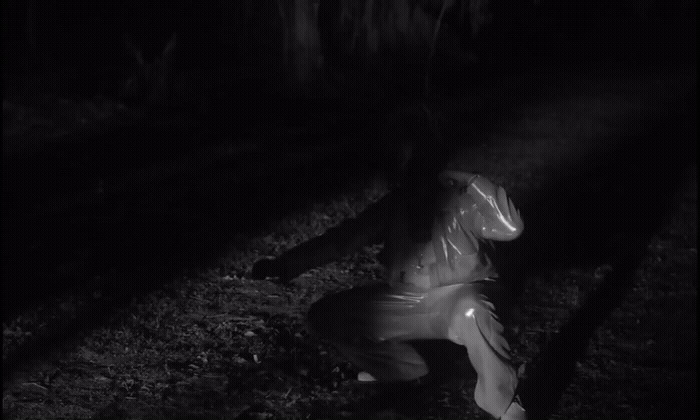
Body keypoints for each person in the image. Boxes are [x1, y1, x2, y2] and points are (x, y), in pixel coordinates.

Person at [252, 169, 527, 420]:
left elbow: (510, 227)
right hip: (407, 300)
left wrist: (473, 182)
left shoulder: (461, 202)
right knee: (329, 314)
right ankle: (402, 371)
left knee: (473, 309)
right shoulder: (395, 205)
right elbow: (342, 240)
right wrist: (287, 264)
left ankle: (502, 402)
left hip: (459, 298)